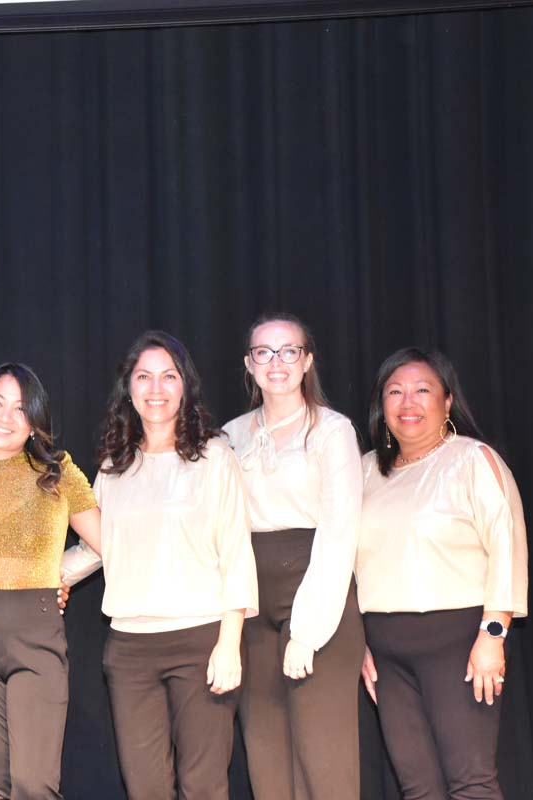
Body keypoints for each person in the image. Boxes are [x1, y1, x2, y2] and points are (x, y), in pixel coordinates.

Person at [62, 331, 257, 800]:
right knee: (145, 788)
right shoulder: (113, 466)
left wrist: (229, 643)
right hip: (130, 650)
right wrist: (48, 577)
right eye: (144, 377)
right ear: (128, 388)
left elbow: (236, 551)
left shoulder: (215, 457)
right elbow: (100, 546)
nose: (155, 388)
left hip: (202, 640)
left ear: (185, 385)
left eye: (168, 376)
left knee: (203, 786)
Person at [357, 347, 527, 800]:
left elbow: (506, 546)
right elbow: (342, 562)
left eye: (422, 390)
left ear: (447, 401)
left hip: (459, 645)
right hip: (386, 654)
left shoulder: (473, 460)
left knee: (471, 782)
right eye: (395, 391)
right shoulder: (364, 472)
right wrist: (355, 641)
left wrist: (493, 635)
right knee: (418, 788)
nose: (408, 402)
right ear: (381, 404)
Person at [222, 313, 365, 800]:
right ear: (249, 364)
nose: (276, 362)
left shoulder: (332, 430)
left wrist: (307, 631)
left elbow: (340, 530)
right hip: (251, 602)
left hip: (317, 596)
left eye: (289, 351)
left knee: (324, 763)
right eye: (263, 352)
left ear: (307, 361)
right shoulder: (229, 436)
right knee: (267, 762)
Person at [0, 363, 101, 800]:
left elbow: (105, 544)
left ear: (34, 422)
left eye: (20, 408)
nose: (6, 416)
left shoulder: (58, 471)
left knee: (35, 786)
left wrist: (57, 574)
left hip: (36, 635)